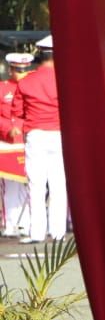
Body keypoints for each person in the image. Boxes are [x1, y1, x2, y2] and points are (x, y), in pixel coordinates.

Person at [12, 36, 66, 243]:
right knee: (58, 183)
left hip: (35, 135)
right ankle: (58, 232)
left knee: (36, 185)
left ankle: (36, 233)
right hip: (59, 134)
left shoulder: (27, 82)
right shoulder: (64, 79)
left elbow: (17, 111)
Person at [0, 52, 34, 237]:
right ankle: (10, 224)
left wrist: (22, 128)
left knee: (31, 184)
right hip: (6, 143)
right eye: (18, 70)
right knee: (10, 185)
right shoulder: (2, 88)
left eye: (25, 70)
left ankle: (27, 223)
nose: (22, 73)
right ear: (11, 69)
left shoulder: (33, 86)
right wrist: (8, 129)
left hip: (28, 141)